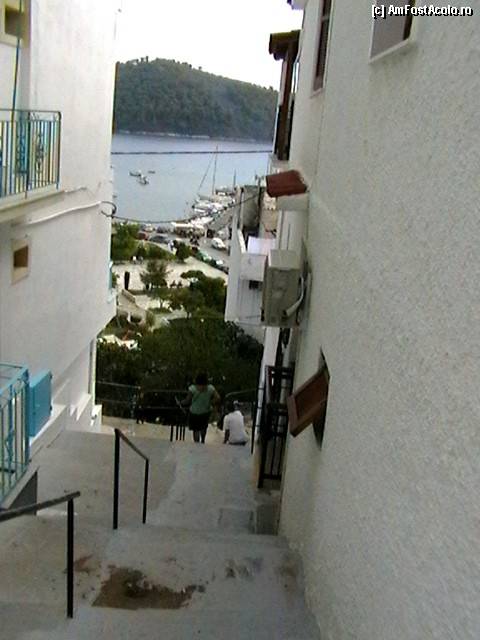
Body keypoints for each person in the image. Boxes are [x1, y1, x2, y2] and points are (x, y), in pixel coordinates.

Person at [181, 373, 220, 443]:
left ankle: (197, 443)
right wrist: (210, 402)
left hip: (194, 412)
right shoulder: (210, 388)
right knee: (203, 427)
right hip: (205, 411)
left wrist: (181, 402)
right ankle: (202, 441)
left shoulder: (192, 388)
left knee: (196, 429)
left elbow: (187, 400)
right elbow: (218, 398)